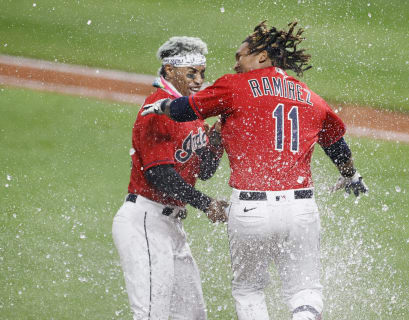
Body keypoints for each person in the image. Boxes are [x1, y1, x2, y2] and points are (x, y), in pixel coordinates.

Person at [141, 22, 368, 320]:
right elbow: (336, 145)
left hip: (250, 210)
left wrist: (160, 107)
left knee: (249, 290)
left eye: (241, 56)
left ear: (261, 57)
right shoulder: (310, 96)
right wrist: (351, 175)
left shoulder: (234, 87)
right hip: (301, 209)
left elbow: (185, 109)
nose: (235, 63)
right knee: (305, 290)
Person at [112, 36, 228, 320]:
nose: (199, 80)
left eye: (202, 72)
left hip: (172, 226)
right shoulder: (157, 109)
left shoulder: (189, 111)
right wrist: (206, 203)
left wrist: (218, 141)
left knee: (192, 315)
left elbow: (204, 171)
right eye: (192, 73)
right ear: (169, 71)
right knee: (152, 314)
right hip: (146, 222)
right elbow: (158, 175)